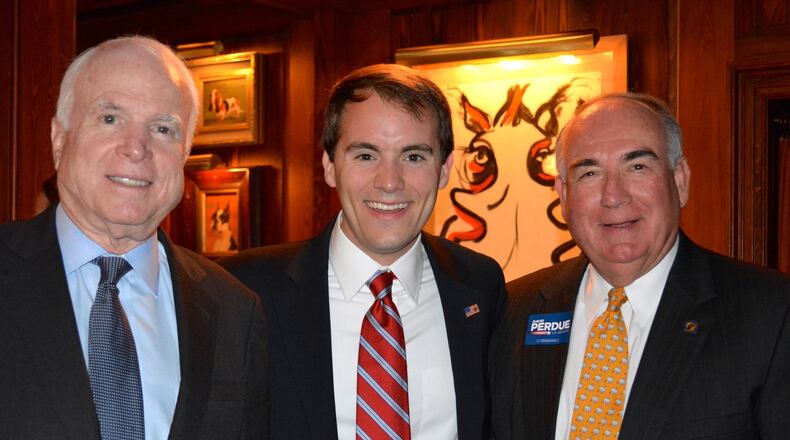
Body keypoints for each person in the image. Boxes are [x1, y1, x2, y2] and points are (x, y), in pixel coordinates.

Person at [0, 36, 267, 439]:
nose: (137, 148)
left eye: (162, 128)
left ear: (185, 152)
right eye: (110, 118)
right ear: (59, 139)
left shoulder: (234, 309)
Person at [220, 64, 505, 440]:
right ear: (329, 166)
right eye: (366, 156)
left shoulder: (480, 285)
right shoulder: (244, 291)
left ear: (444, 169)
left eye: (413, 157)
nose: (389, 182)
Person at [490, 92, 790, 439]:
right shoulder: (513, 310)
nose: (613, 196)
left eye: (637, 167)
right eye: (589, 173)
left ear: (680, 180)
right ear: (564, 194)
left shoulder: (772, 313)